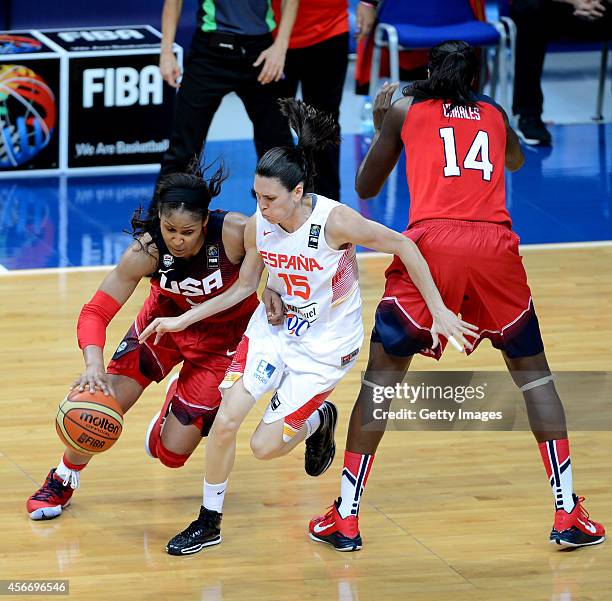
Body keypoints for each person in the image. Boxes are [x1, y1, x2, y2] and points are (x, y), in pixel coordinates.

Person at [137, 99, 475, 555]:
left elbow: (404, 246)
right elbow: (245, 288)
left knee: (264, 447)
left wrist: (436, 309)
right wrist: (185, 317)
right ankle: (208, 521)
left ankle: (319, 419)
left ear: (297, 193)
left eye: (270, 198)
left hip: (326, 347)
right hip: (274, 333)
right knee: (225, 421)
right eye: (257, 196)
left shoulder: (336, 221)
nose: (260, 207)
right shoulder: (261, 224)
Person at [309, 40, 605, 551]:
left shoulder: (405, 109)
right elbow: (513, 161)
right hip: (494, 248)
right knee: (536, 378)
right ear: (479, 76)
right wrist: (488, 118)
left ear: (428, 73)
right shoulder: (493, 112)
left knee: (381, 380)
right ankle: (567, 512)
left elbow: (366, 183)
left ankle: (347, 517)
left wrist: (387, 123)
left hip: (431, 249)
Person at [26, 162, 263, 520]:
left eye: (188, 231)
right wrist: (94, 366)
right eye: (170, 229)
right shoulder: (146, 251)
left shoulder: (236, 232)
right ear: (160, 221)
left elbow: (281, 262)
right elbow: (95, 311)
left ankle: (177, 405)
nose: (178, 239)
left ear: (205, 221)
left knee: (171, 454)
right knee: (101, 402)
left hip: (225, 337)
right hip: (163, 325)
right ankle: (63, 477)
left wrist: (277, 293)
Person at [157, 0, 299, 177]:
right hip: (210, 53)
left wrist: (280, 46)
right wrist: (166, 51)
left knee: (278, 150)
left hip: (261, 53)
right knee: (183, 151)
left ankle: (277, 204)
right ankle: (170, 205)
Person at [272, 0, 378, 200]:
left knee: (321, 125)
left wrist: (368, 3)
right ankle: (276, 204)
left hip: (328, 30)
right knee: (271, 126)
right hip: (271, 37)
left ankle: (326, 207)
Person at [511, 0, 612, 145]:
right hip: (554, 7)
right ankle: (528, 115)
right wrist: (577, 2)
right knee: (531, 10)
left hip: (596, 5)